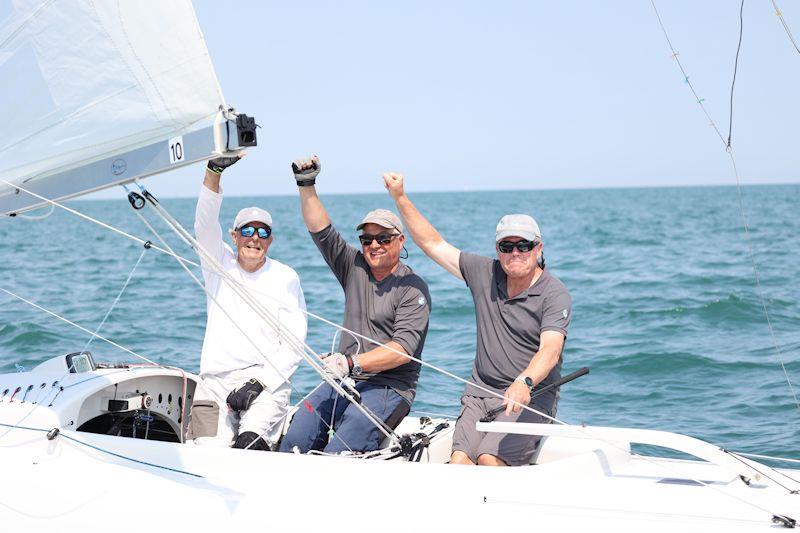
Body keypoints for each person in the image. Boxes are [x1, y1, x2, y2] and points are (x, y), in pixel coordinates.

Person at [384, 172, 571, 466]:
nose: (515, 253)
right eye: (506, 247)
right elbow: (433, 244)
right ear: (498, 250)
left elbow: (551, 349)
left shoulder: (554, 293)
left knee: (488, 458)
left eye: (523, 246)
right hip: (479, 393)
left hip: (529, 396)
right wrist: (400, 197)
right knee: (459, 461)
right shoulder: (485, 272)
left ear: (539, 248)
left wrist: (524, 381)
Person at [279, 156, 431, 454]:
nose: (374, 245)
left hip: (390, 388)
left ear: (401, 241)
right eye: (367, 239)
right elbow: (321, 231)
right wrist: (306, 183)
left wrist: (349, 362)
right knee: (296, 437)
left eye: (383, 238)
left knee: (341, 451)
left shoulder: (413, 289)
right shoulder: (354, 266)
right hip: (345, 380)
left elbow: (402, 351)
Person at [186, 154, 308, 451]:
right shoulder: (217, 263)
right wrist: (214, 171)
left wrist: (259, 382)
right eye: (247, 231)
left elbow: (294, 344)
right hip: (214, 383)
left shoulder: (285, 277)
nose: (255, 238)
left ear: (271, 240)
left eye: (263, 232)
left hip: (266, 384)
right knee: (207, 454)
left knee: (248, 444)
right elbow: (204, 222)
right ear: (234, 236)